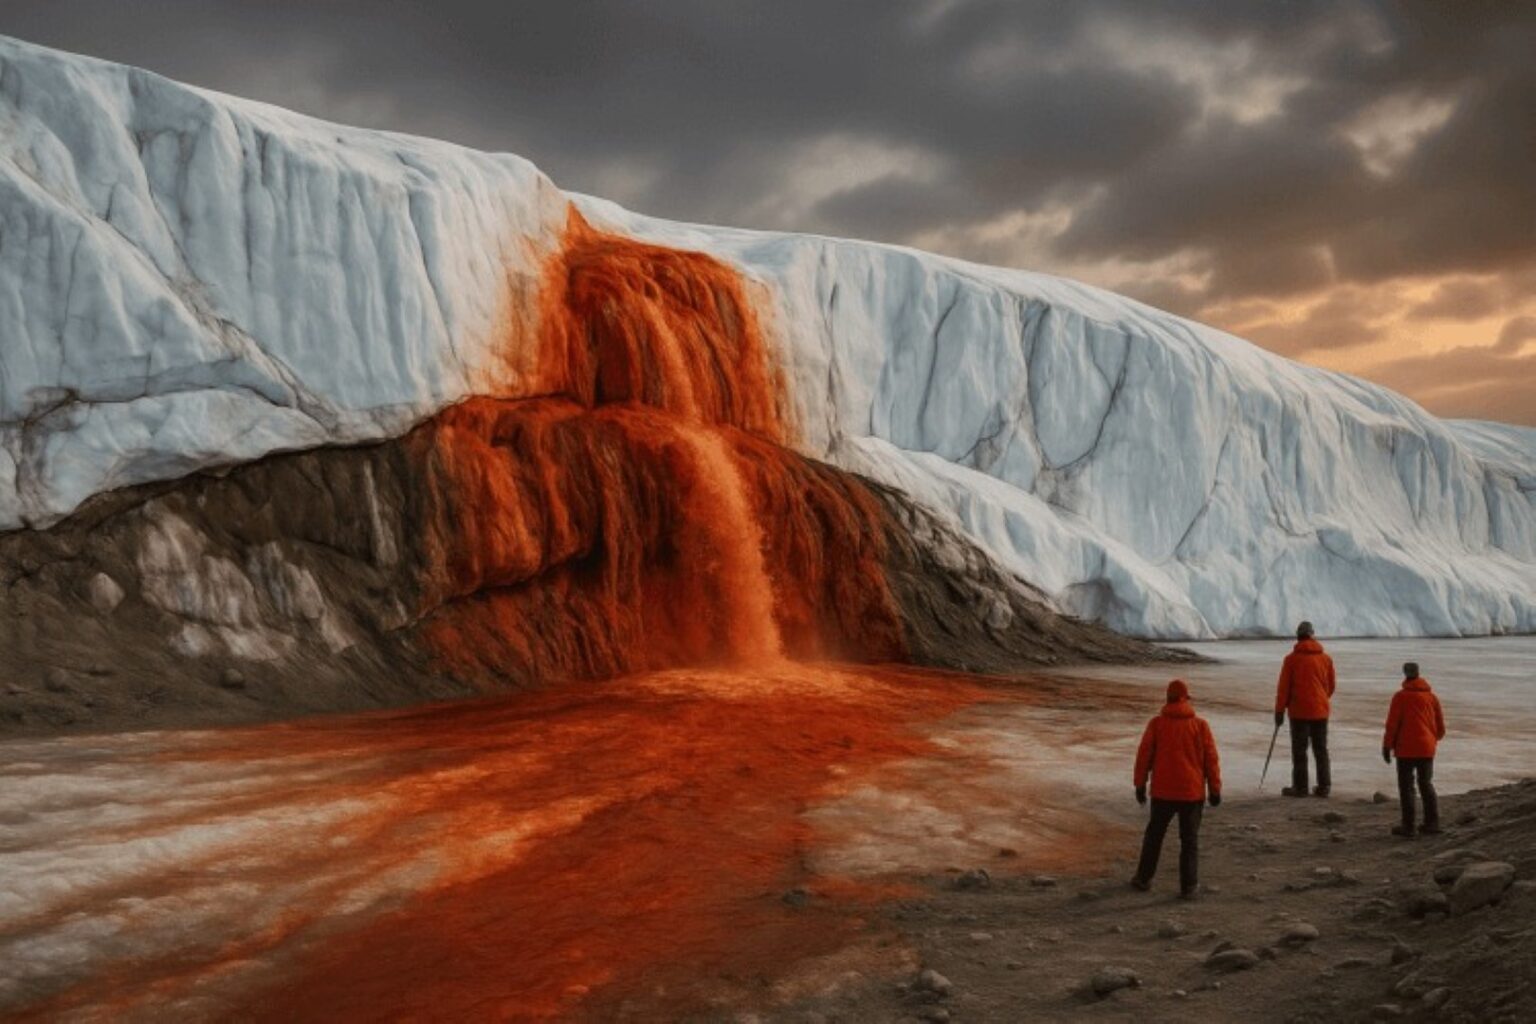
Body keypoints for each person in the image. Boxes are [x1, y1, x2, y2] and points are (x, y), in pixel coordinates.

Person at [1131, 679, 1222, 898]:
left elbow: (1144, 756)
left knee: (1154, 836)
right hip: (1192, 793)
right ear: (1186, 698)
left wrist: (1140, 784)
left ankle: (1144, 879)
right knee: (1189, 840)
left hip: (1163, 792)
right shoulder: (1200, 726)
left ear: (1168, 698)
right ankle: (1189, 886)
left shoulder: (1156, 724)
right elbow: (1211, 760)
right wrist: (1215, 789)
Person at [1383, 661, 1446, 837]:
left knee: (1406, 787)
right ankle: (1432, 824)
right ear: (1418, 673)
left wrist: (1387, 746)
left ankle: (1408, 826)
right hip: (1426, 748)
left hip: (1405, 749)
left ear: (1405, 674)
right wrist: (1431, 740)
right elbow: (1441, 728)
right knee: (1426, 784)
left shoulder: (1400, 697)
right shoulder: (1432, 697)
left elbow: (1392, 725)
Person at [1274, 621, 1336, 797]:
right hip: (1320, 711)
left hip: (1299, 712)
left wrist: (1279, 711)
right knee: (1321, 749)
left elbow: (1283, 688)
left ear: (1298, 636)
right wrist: (1321, 699)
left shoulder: (1291, 660)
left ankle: (1301, 788)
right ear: (1312, 635)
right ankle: (1324, 787)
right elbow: (1331, 686)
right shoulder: (1325, 659)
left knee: (1300, 751)